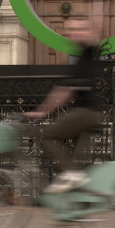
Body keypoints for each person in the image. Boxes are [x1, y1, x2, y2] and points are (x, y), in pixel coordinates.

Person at [26, 17, 105, 193]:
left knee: (46, 136)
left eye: (79, 29)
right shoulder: (78, 57)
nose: (74, 33)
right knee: (75, 160)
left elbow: (63, 92)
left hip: (87, 112)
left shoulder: (87, 52)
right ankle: (78, 202)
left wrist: (42, 113)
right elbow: (60, 89)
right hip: (86, 113)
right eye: (71, 31)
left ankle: (71, 174)